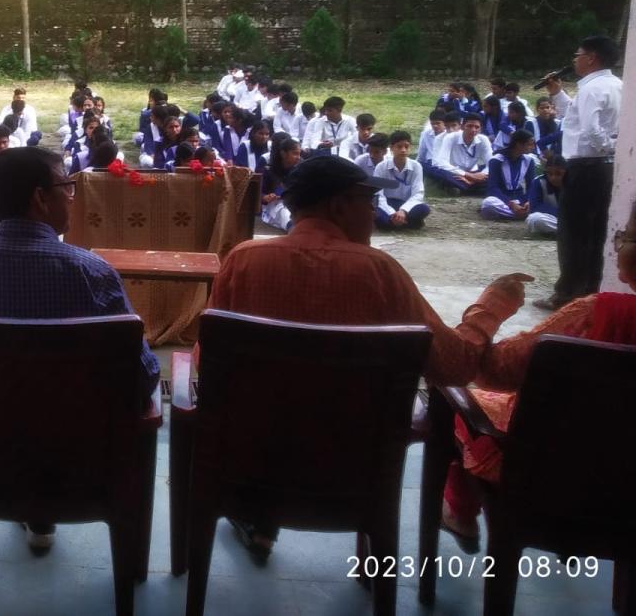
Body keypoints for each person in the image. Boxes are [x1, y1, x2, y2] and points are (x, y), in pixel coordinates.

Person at [206, 155, 530, 562]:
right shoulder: (380, 272)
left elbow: (207, 361)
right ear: (339, 206)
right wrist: (490, 308)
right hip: (354, 466)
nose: (375, 213)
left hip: (254, 461)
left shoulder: (243, 261)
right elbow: (457, 366)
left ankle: (258, 514)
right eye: (369, 201)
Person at [0, 147, 160, 552]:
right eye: (67, 186)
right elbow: (143, 374)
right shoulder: (90, 272)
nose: (73, 196)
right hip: (81, 458)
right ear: (40, 198)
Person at [440, 197, 636, 552]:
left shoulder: (595, 314)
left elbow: (492, 371)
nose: (619, 242)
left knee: (463, 401)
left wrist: (491, 308)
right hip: (626, 486)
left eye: (625, 236)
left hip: (559, 474)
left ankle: (459, 509)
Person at [537, 35, 624, 310]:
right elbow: (575, 119)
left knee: (574, 233)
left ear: (591, 58)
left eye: (578, 55)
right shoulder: (617, 85)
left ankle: (567, 294)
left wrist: (607, 146)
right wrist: (557, 94)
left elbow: (590, 130)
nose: (574, 60)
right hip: (605, 168)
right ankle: (591, 289)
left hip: (586, 166)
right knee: (597, 231)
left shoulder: (591, 89)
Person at [374, 131, 430, 229]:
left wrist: (403, 210)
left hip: (406, 203)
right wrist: (392, 213)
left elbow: (418, 193)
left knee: (424, 209)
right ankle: (405, 222)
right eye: (399, 147)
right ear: (391, 148)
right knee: (377, 214)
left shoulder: (416, 166)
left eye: (406, 147)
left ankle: (397, 222)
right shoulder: (381, 167)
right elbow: (379, 195)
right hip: (387, 202)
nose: (403, 150)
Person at [480, 129, 539, 221]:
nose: (533, 147)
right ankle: (521, 215)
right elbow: (492, 188)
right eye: (529, 144)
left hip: (520, 198)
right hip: (502, 198)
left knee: (540, 200)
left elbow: (531, 186)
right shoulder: (496, 160)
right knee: (488, 203)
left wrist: (527, 201)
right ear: (519, 144)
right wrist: (510, 203)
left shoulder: (529, 160)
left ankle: (514, 214)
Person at [430, 111, 491, 194]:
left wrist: (477, 177)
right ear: (462, 127)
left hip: (473, 174)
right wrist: (468, 175)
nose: (473, 130)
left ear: (480, 129)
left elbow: (491, 164)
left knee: (497, 171)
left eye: (477, 127)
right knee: (440, 172)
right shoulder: (450, 138)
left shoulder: (483, 139)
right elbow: (442, 163)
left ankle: (464, 187)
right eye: (469, 126)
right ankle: (473, 189)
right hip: (455, 173)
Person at [260, 134, 300, 232]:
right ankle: (294, 231)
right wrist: (265, 197)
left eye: (299, 154)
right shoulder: (269, 170)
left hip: (294, 204)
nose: (298, 157)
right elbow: (258, 194)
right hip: (274, 206)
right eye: (295, 154)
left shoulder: (300, 169)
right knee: (282, 210)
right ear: (283, 154)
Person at [525, 154, 565, 237]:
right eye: (550, 174)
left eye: (558, 174)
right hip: (554, 218)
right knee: (534, 219)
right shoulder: (539, 182)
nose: (553, 177)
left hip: (571, 219)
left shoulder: (574, 183)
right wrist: (561, 213)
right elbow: (535, 207)